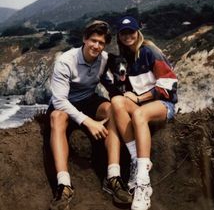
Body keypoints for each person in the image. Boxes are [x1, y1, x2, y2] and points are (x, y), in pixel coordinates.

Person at [47, 20, 132, 210]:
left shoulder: (103, 59)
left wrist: (126, 95)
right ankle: (64, 185)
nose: (96, 46)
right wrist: (88, 122)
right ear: (84, 39)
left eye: (101, 43)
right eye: (93, 40)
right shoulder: (65, 61)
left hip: (88, 99)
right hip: (65, 103)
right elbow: (59, 100)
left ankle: (113, 176)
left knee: (112, 109)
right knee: (56, 117)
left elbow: (111, 79)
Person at [111, 16, 178, 210]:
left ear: (138, 32)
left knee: (139, 114)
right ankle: (135, 160)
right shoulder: (126, 58)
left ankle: (143, 182)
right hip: (142, 106)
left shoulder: (150, 51)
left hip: (162, 104)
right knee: (116, 102)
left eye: (131, 31)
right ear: (119, 36)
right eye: (123, 33)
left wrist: (140, 99)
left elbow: (169, 84)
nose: (127, 36)